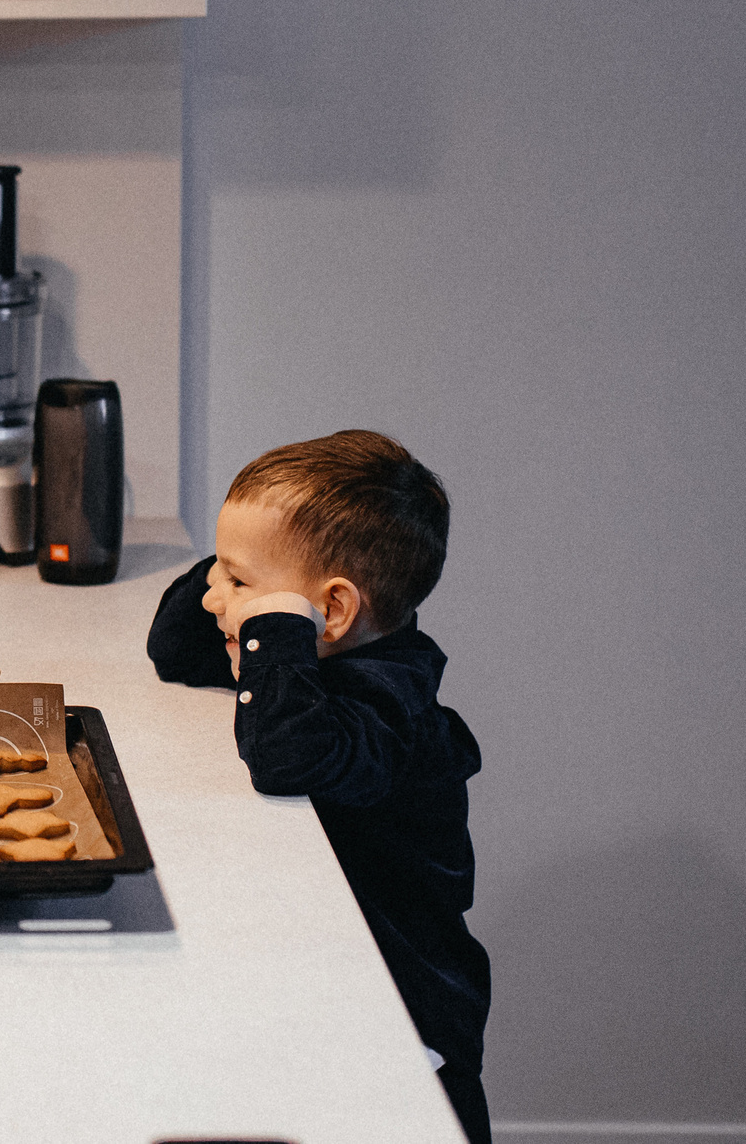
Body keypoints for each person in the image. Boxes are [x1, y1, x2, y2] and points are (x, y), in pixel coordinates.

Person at [145, 430, 490, 1144]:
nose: (215, 598)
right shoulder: (315, 659)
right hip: (341, 991)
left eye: (236, 584)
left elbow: (287, 757)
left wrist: (269, 617)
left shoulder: (394, 703)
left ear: (330, 612)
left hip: (411, 1022)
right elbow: (176, 652)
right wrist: (238, 575)